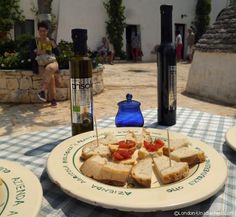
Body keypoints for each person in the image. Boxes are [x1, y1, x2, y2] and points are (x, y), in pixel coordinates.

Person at [30, 21, 60, 107]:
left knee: (49, 69)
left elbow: (58, 53)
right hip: (41, 64)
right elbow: (31, 55)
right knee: (51, 76)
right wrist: (36, 52)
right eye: (40, 31)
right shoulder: (34, 41)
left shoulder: (51, 40)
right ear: (38, 31)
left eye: (44, 31)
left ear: (47, 31)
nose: (42, 33)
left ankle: (42, 90)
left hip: (52, 62)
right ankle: (53, 100)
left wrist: (53, 45)